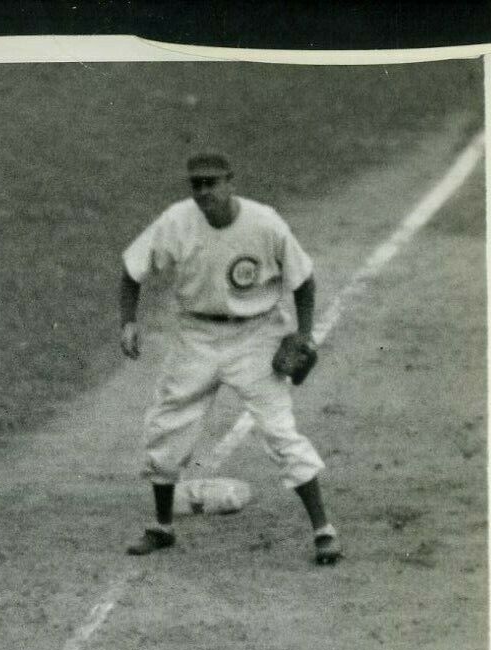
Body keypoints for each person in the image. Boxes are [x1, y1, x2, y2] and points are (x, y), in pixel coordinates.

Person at [118, 152, 342, 565]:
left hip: (256, 335)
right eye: (196, 184)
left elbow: (303, 279)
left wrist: (305, 333)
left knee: (278, 430)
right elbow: (132, 271)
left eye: (211, 183)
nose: (203, 191)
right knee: (168, 425)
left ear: (229, 182)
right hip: (196, 335)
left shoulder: (265, 222)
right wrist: (128, 322)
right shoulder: (176, 221)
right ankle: (163, 527)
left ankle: (323, 530)